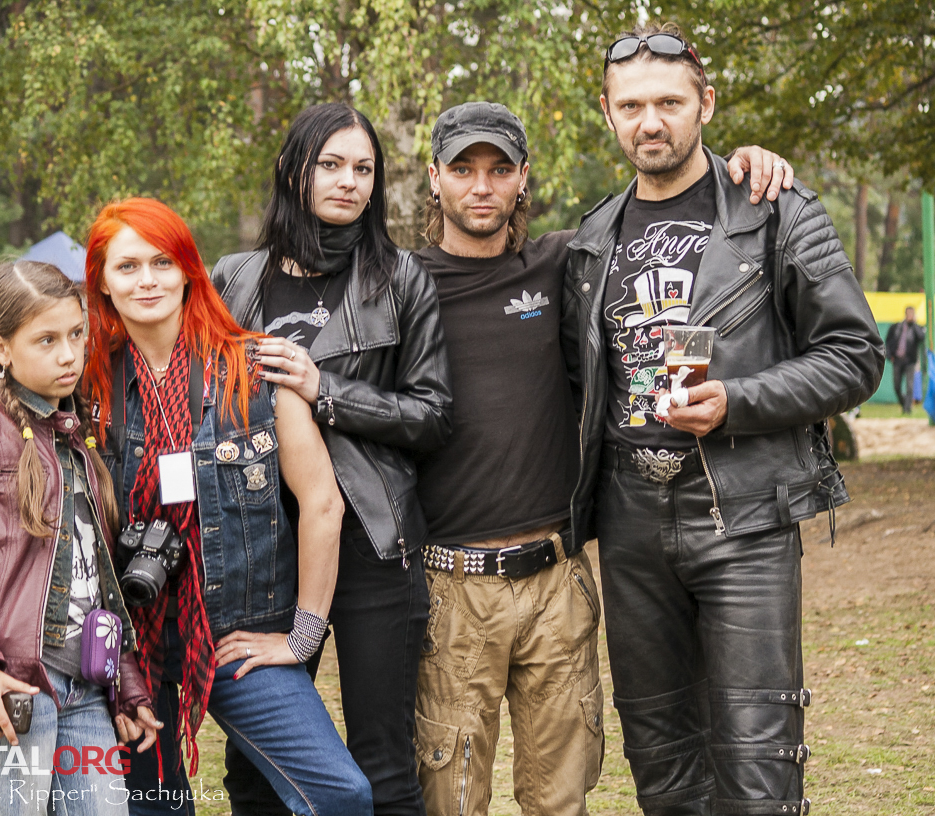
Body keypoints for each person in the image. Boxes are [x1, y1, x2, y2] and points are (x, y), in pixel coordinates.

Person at [0, 199, 373, 816]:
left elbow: (322, 502)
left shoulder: (255, 370)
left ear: (189, 269)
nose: (147, 280)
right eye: (127, 266)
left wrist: (302, 636)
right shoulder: (82, 379)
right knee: (151, 807)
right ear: (102, 282)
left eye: (162, 262)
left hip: (232, 634)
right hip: (126, 645)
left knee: (341, 792)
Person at [412, 101, 794, 816]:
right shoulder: (400, 285)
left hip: (558, 582)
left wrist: (743, 165)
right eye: (462, 170)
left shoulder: (566, 264)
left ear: (524, 177)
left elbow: (667, 214)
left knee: (562, 800)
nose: (482, 187)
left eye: (499, 170)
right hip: (452, 588)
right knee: (449, 801)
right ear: (434, 178)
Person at [561, 22, 884, 816]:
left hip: (743, 518)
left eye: (670, 103)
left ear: (705, 103)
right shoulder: (591, 240)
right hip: (629, 527)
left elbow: (855, 355)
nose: (651, 123)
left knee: (758, 766)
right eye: (631, 106)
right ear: (607, 111)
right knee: (663, 768)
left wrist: (739, 402)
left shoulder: (774, 208)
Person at [209, 102, 452, 816]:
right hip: (262, 553)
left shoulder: (401, 278)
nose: (349, 182)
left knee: (384, 764)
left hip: (373, 542)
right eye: (332, 164)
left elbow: (434, 416)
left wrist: (326, 391)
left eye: (364, 169)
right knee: (259, 768)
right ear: (294, 170)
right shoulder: (234, 279)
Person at [0, 260, 160, 816]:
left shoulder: (80, 432)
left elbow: (95, 576)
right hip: (10, 682)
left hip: (86, 690)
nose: (68, 355)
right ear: (1, 349)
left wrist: (123, 682)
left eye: (76, 334)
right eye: (46, 340)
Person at [885, 305, 924, 414]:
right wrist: (889, 355)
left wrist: (914, 324)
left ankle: (907, 409)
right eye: (909, 313)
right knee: (896, 386)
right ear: (905, 314)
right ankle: (904, 404)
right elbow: (888, 341)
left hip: (910, 361)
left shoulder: (916, 328)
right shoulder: (896, 327)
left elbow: (921, 337)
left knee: (909, 386)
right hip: (897, 360)